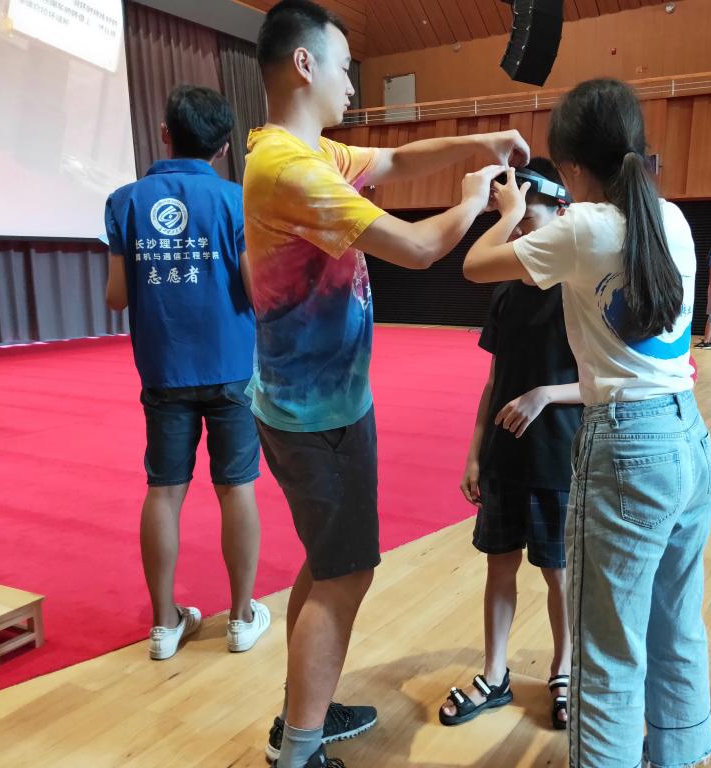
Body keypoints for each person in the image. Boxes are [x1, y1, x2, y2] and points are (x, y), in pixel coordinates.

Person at [246, 3, 529, 766]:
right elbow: (416, 246)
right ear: (304, 65)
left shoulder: (303, 151)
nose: (351, 85)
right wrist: (476, 201)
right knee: (346, 573)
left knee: (327, 562)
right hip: (318, 414)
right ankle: (299, 751)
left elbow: (399, 163)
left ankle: (301, 717)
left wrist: (479, 142)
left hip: (316, 401)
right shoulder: (290, 168)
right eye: (344, 68)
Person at [464, 78, 711, 768]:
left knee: (606, 652)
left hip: (628, 446)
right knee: (676, 626)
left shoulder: (583, 229)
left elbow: (476, 265)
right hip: (688, 437)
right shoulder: (673, 220)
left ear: (572, 167)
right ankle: (681, 756)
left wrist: (508, 210)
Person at [104, 85, 270, 661]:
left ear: (164, 134)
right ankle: (241, 618)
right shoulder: (235, 201)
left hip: (164, 370)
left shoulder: (124, 202)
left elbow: (116, 297)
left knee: (164, 490)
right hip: (231, 369)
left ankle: (164, 624)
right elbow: (256, 291)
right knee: (236, 487)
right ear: (224, 148)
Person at [439, 158, 579, 732]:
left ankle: (564, 670)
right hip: (505, 457)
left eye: (528, 219)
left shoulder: (578, 290)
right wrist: (476, 452)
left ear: (563, 214)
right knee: (500, 566)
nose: (519, 233)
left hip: (558, 457)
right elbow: (494, 381)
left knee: (558, 572)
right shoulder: (505, 293)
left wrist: (546, 395)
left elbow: (605, 381)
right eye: (512, 222)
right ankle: (495, 674)